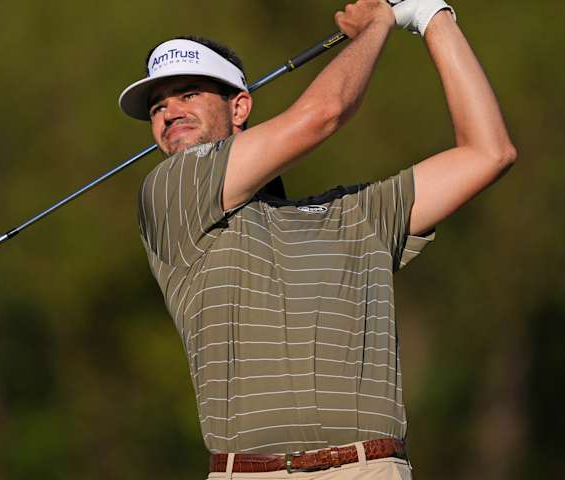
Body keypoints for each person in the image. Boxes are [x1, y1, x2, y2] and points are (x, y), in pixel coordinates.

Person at [118, 0, 515, 478]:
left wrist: (432, 16)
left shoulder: (356, 215)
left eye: (187, 95)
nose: (168, 113)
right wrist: (378, 24)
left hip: (368, 469)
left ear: (239, 106)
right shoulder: (170, 193)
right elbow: (322, 115)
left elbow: (489, 152)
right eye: (158, 107)